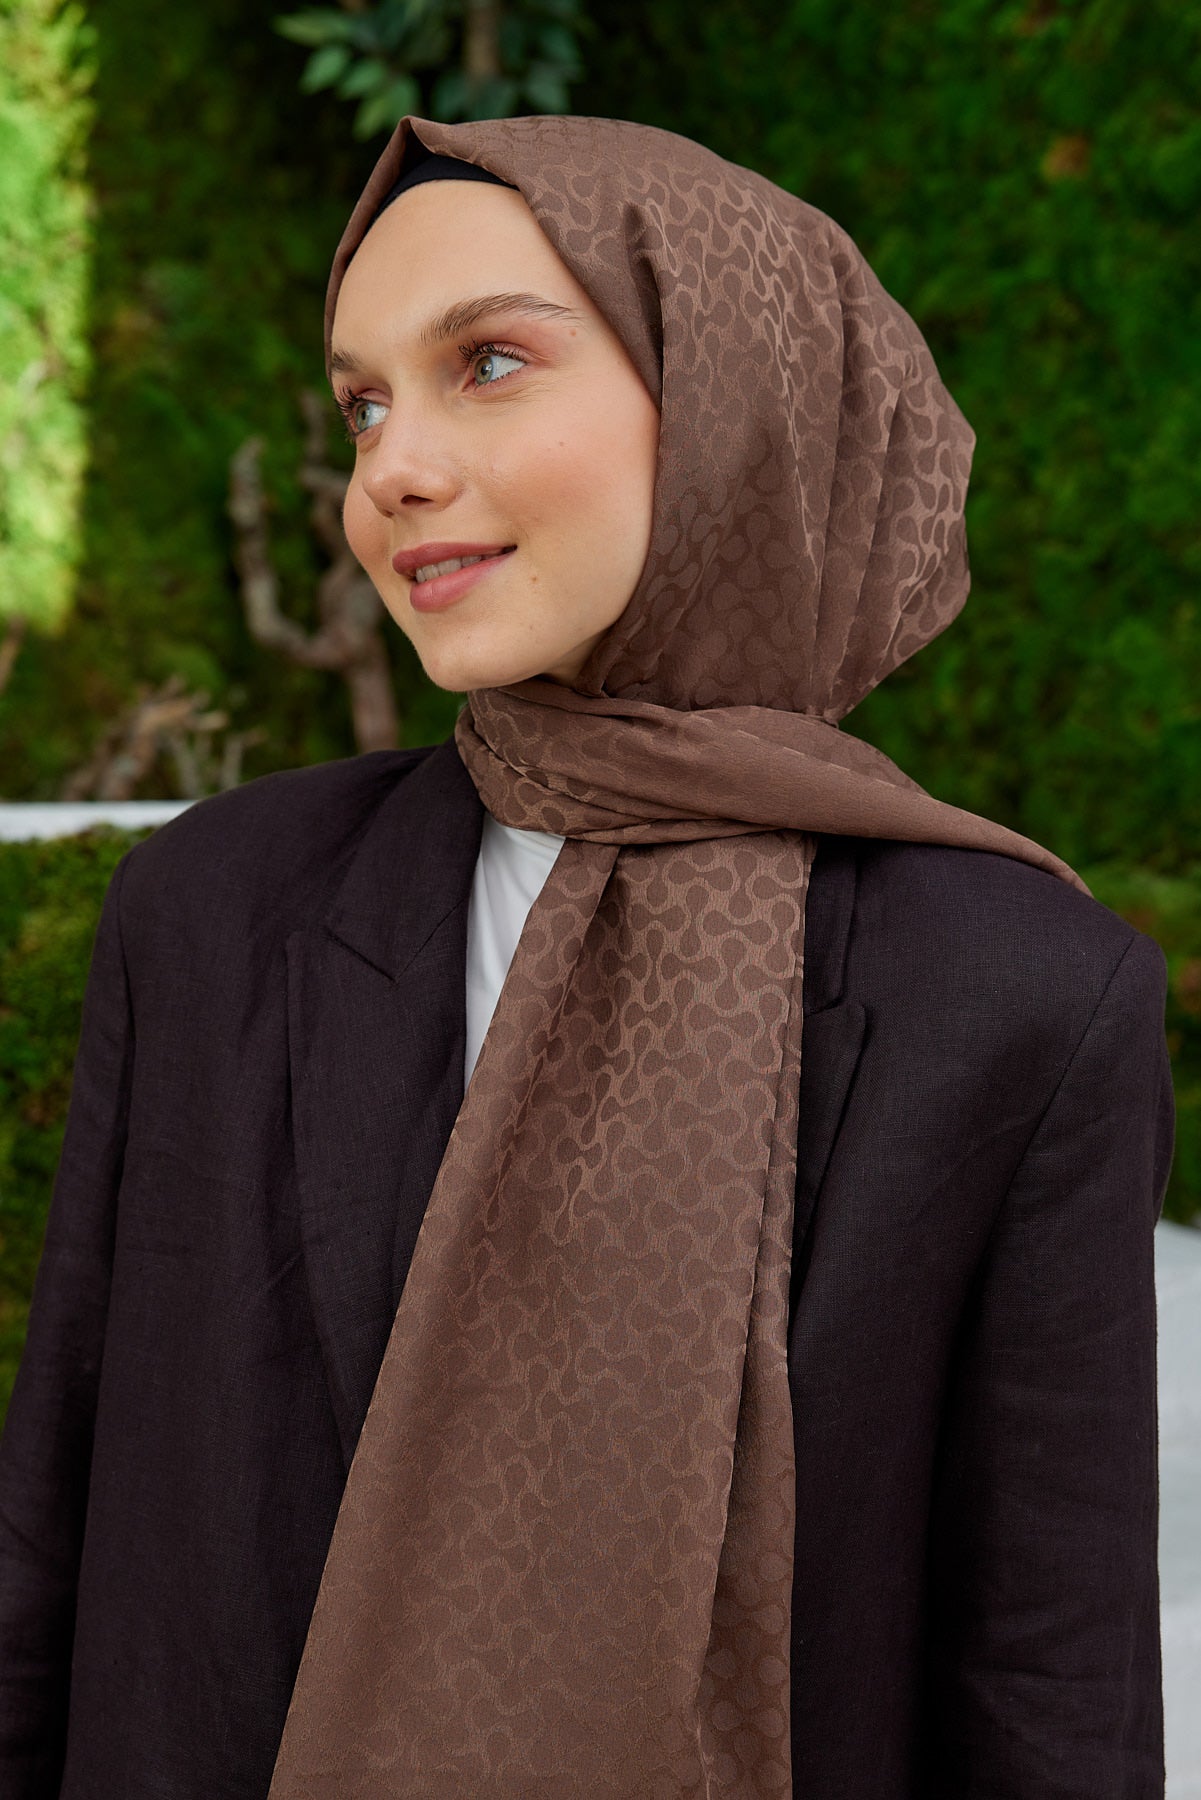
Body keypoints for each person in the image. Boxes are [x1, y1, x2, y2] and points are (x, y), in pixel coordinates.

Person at [0, 115, 1175, 1800]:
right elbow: (49, 1528)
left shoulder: (1019, 999)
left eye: (485, 362)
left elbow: (1047, 1675)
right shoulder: (214, 911)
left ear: (734, 399)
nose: (390, 469)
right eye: (362, 402)